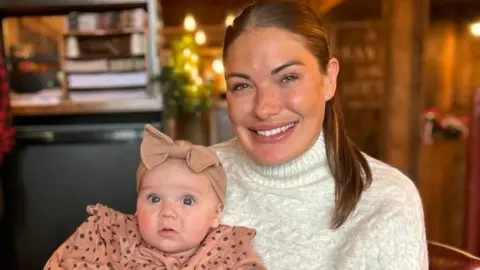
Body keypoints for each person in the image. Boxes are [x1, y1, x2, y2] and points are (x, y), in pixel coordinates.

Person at [210, 0, 428, 269]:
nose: (264, 108)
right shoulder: (190, 175)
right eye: (242, 85)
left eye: (288, 78)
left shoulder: (386, 200)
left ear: (329, 80)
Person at [44, 124, 264, 270]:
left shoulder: (227, 249)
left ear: (216, 213)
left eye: (187, 201)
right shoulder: (110, 236)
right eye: (154, 199)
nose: (167, 212)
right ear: (137, 206)